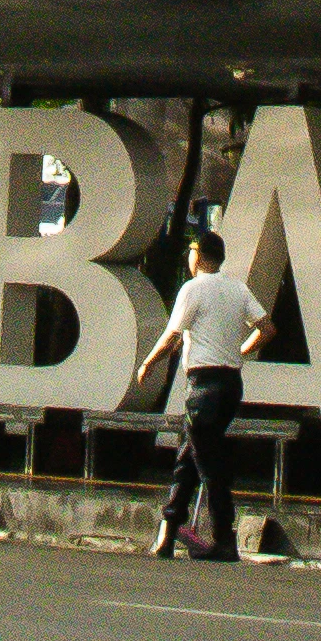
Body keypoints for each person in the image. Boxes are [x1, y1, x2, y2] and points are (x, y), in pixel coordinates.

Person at [114, 221, 263, 562]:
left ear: (200, 256)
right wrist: (238, 351)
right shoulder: (238, 289)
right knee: (189, 456)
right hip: (230, 385)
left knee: (208, 461)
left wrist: (147, 364)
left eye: (191, 253)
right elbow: (266, 327)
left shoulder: (193, 289)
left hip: (204, 388)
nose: (188, 259)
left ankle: (225, 538)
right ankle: (167, 533)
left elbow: (171, 335)